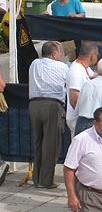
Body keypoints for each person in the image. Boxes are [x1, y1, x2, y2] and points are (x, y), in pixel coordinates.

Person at [28, 41, 68, 189]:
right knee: (51, 145)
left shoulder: (34, 64)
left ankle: (37, 178)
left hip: (34, 105)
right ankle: (45, 180)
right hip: (52, 105)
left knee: (38, 142)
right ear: (54, 54)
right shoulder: (62, 67)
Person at [74, 57, 102, 136]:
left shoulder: (86, 84)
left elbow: (77, 107)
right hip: (98, 124)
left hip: (81, 122)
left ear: (96, 69)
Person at [66, 42, 98, 135]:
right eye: (97, 55)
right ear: (92, 56)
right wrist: (84, 115)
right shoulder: (76, 71)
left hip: (83, 117)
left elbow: (94, 75)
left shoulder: (84, 67)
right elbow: (74, 99)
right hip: (78, 119)